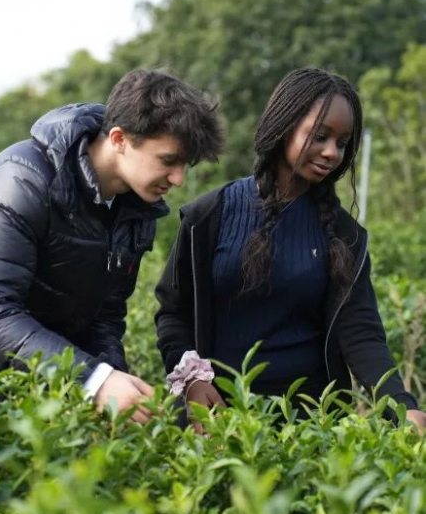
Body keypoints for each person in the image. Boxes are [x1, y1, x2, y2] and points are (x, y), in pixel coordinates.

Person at [0, 69, 223, 423]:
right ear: (119, 139)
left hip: (29, 369)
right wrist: (94, 380)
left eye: (184, 165)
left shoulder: (135, 209)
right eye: (168, 161)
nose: (178, 179)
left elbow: (105, 316)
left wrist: (114, 387)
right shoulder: (22, 180)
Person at [155, 67, 426, 433]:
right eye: (320, 136)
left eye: (343, 143)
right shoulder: (210, 215)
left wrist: (403, 407)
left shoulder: (345, 235)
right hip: (216, 418)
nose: (332, 152)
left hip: (310, 425)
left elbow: (360, 333)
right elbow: (173, 314)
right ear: (283, 128)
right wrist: (192, 381)